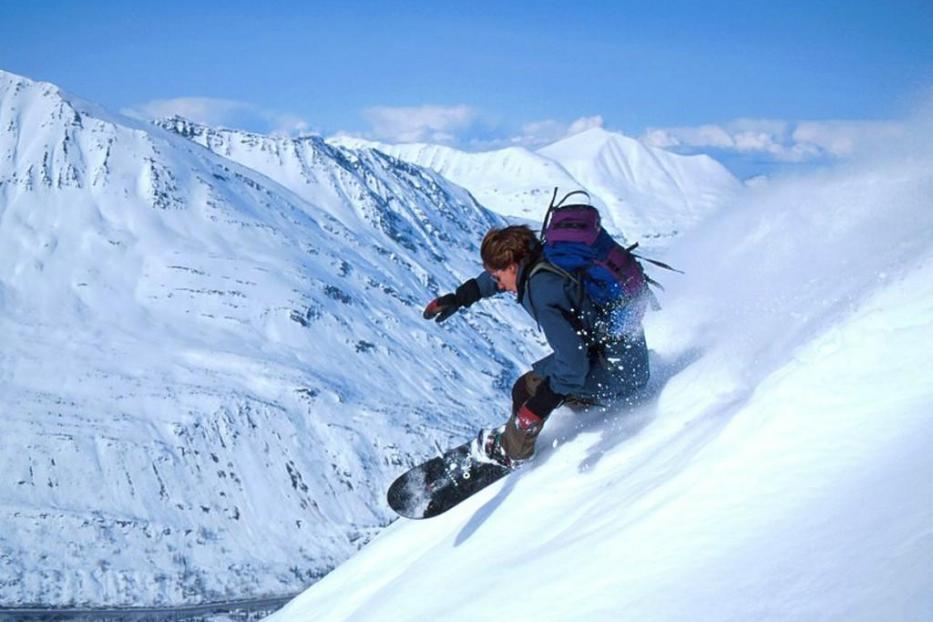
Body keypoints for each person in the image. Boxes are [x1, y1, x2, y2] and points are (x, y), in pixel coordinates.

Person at [423, 224, 650, 468]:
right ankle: (587, 405)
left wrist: (538, 407)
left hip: (623, 377)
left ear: (512, 266)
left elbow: (573, 366)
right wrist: (461, 297)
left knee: (528, 388)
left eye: (498, 277)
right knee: (550, 380)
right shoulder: (542, 256)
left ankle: (510, 453)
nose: (499, 284)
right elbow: (496, 280)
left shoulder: (544, 294)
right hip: (626, 357)